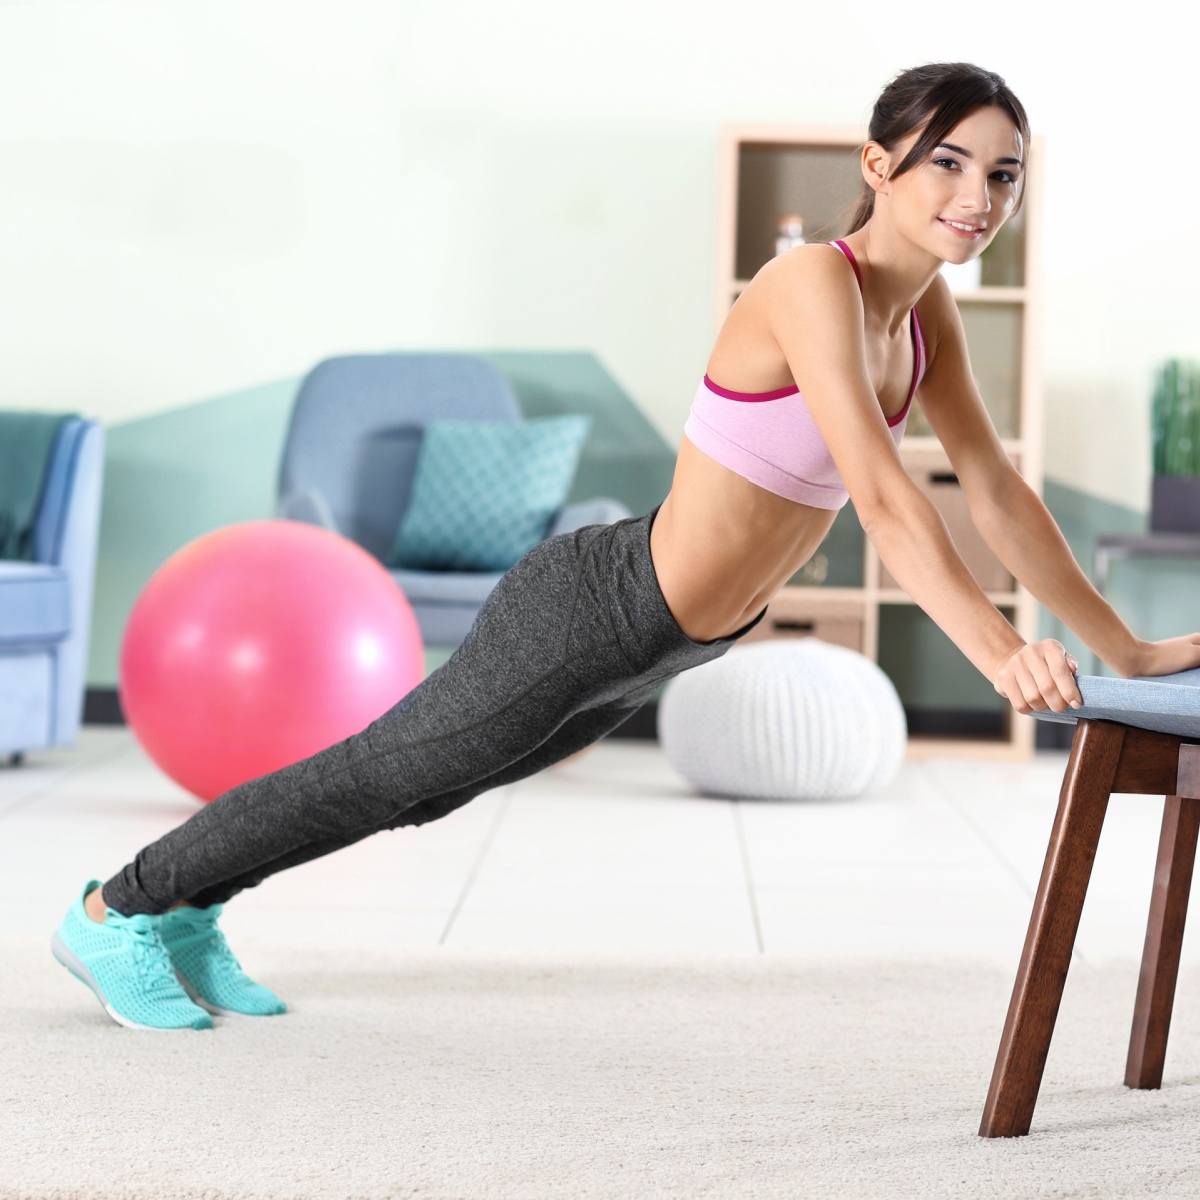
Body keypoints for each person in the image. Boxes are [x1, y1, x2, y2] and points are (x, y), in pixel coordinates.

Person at [52, 61, 1200, 1031]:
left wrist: (1126, 650)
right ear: (877, 165)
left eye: (1003, 171)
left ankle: (189, 910)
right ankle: (118, 913)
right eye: (948, 160)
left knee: (420, 792)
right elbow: (888, 499)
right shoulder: (812, 282)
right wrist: (1004, 654)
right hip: (600, 603)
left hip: (670, 643)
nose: (979, 193)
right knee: (386, 771)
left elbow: (995, 491)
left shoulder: (925, 312)